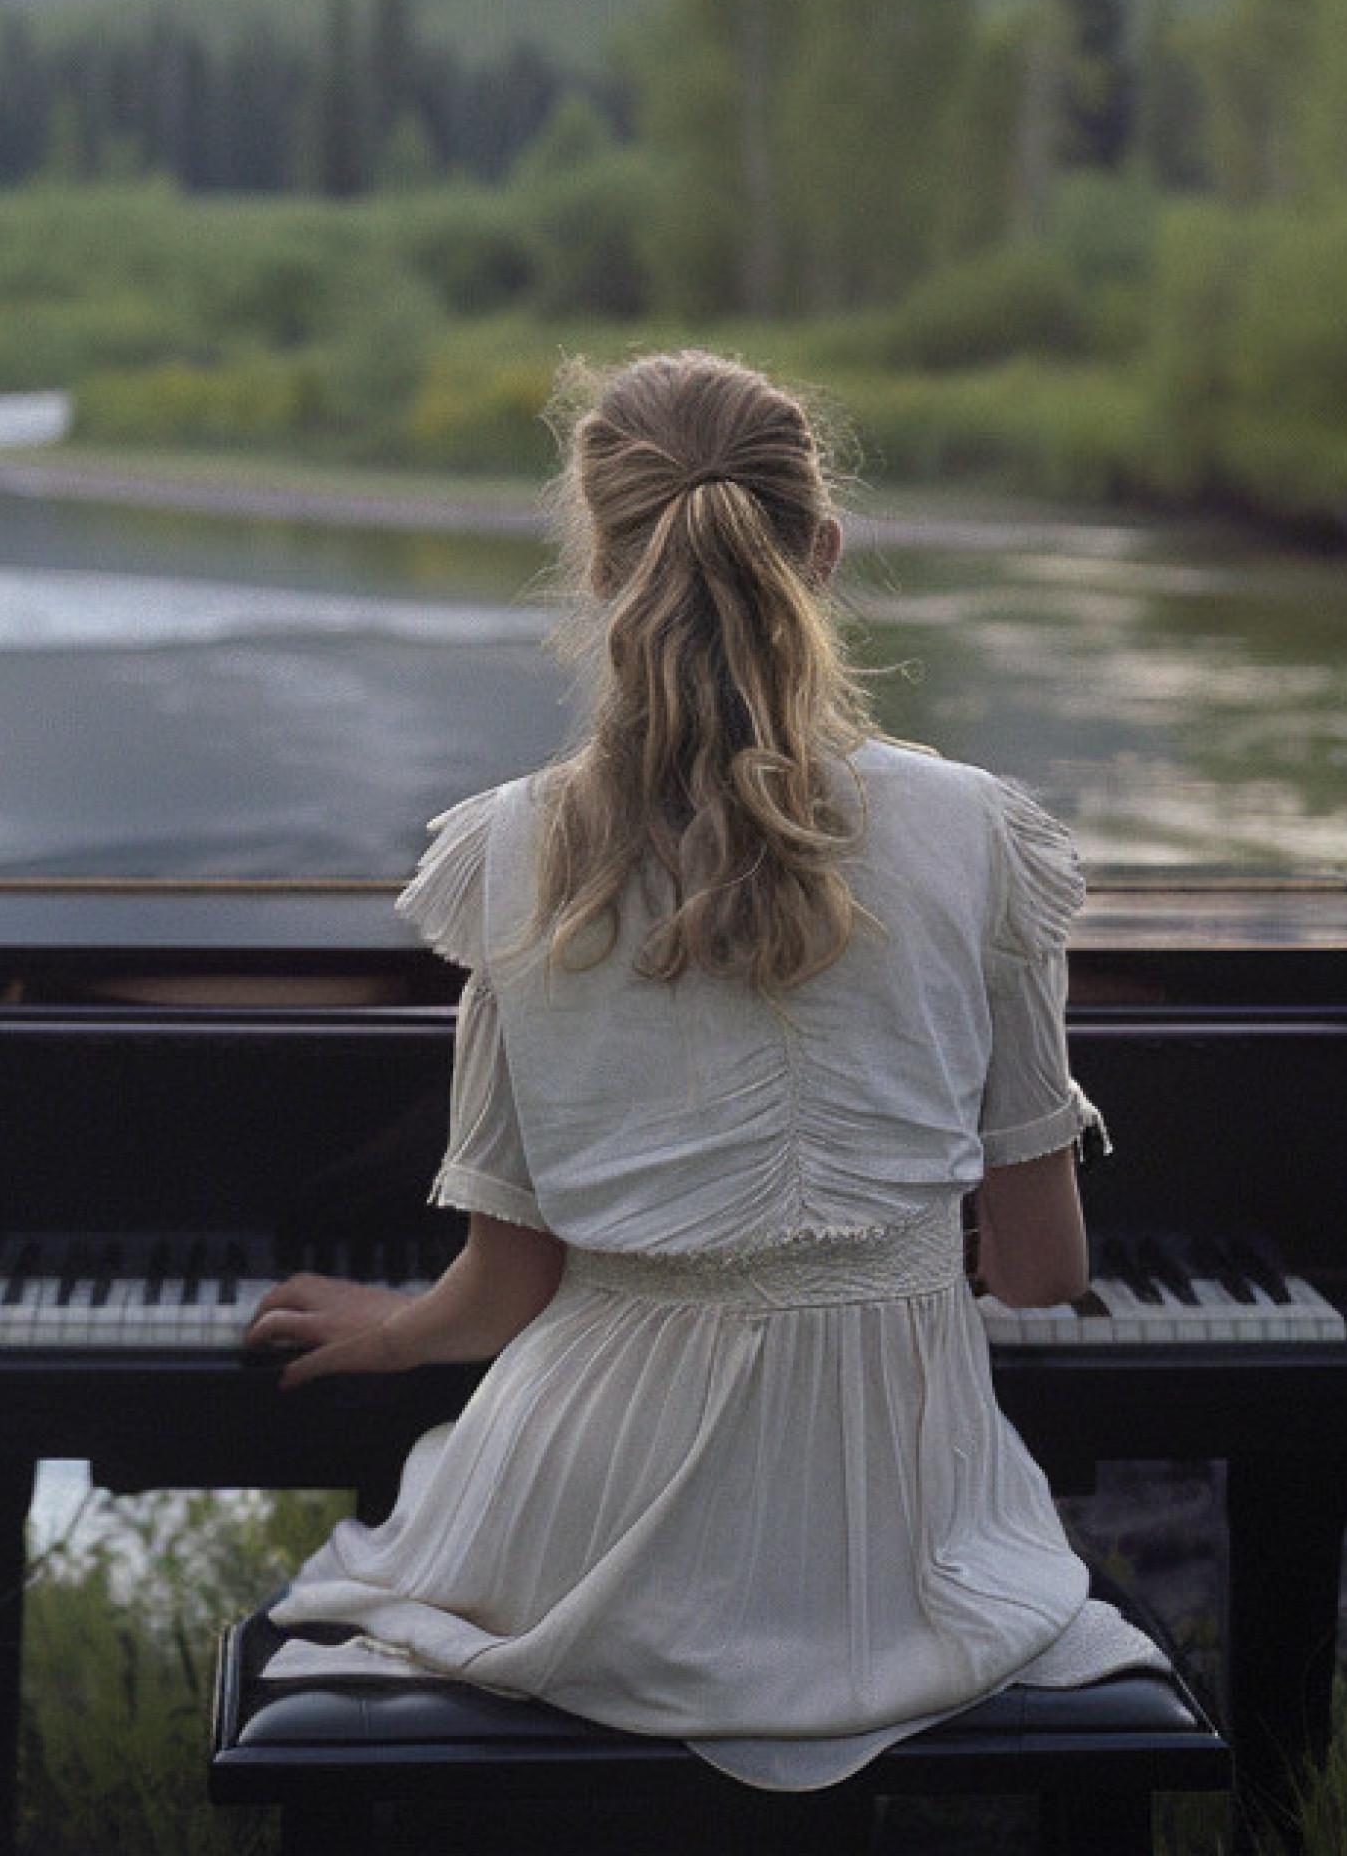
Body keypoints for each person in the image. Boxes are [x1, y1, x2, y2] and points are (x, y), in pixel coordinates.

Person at [244, 347, 1164, 1789]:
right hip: (903, 1542)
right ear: (825, 551)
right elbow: (1043, 1269)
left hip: (590, 1515)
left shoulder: (507, 853)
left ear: (598, 564)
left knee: (330, 1607)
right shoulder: (981, 833)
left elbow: (506, 1290)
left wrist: (395, 1330)